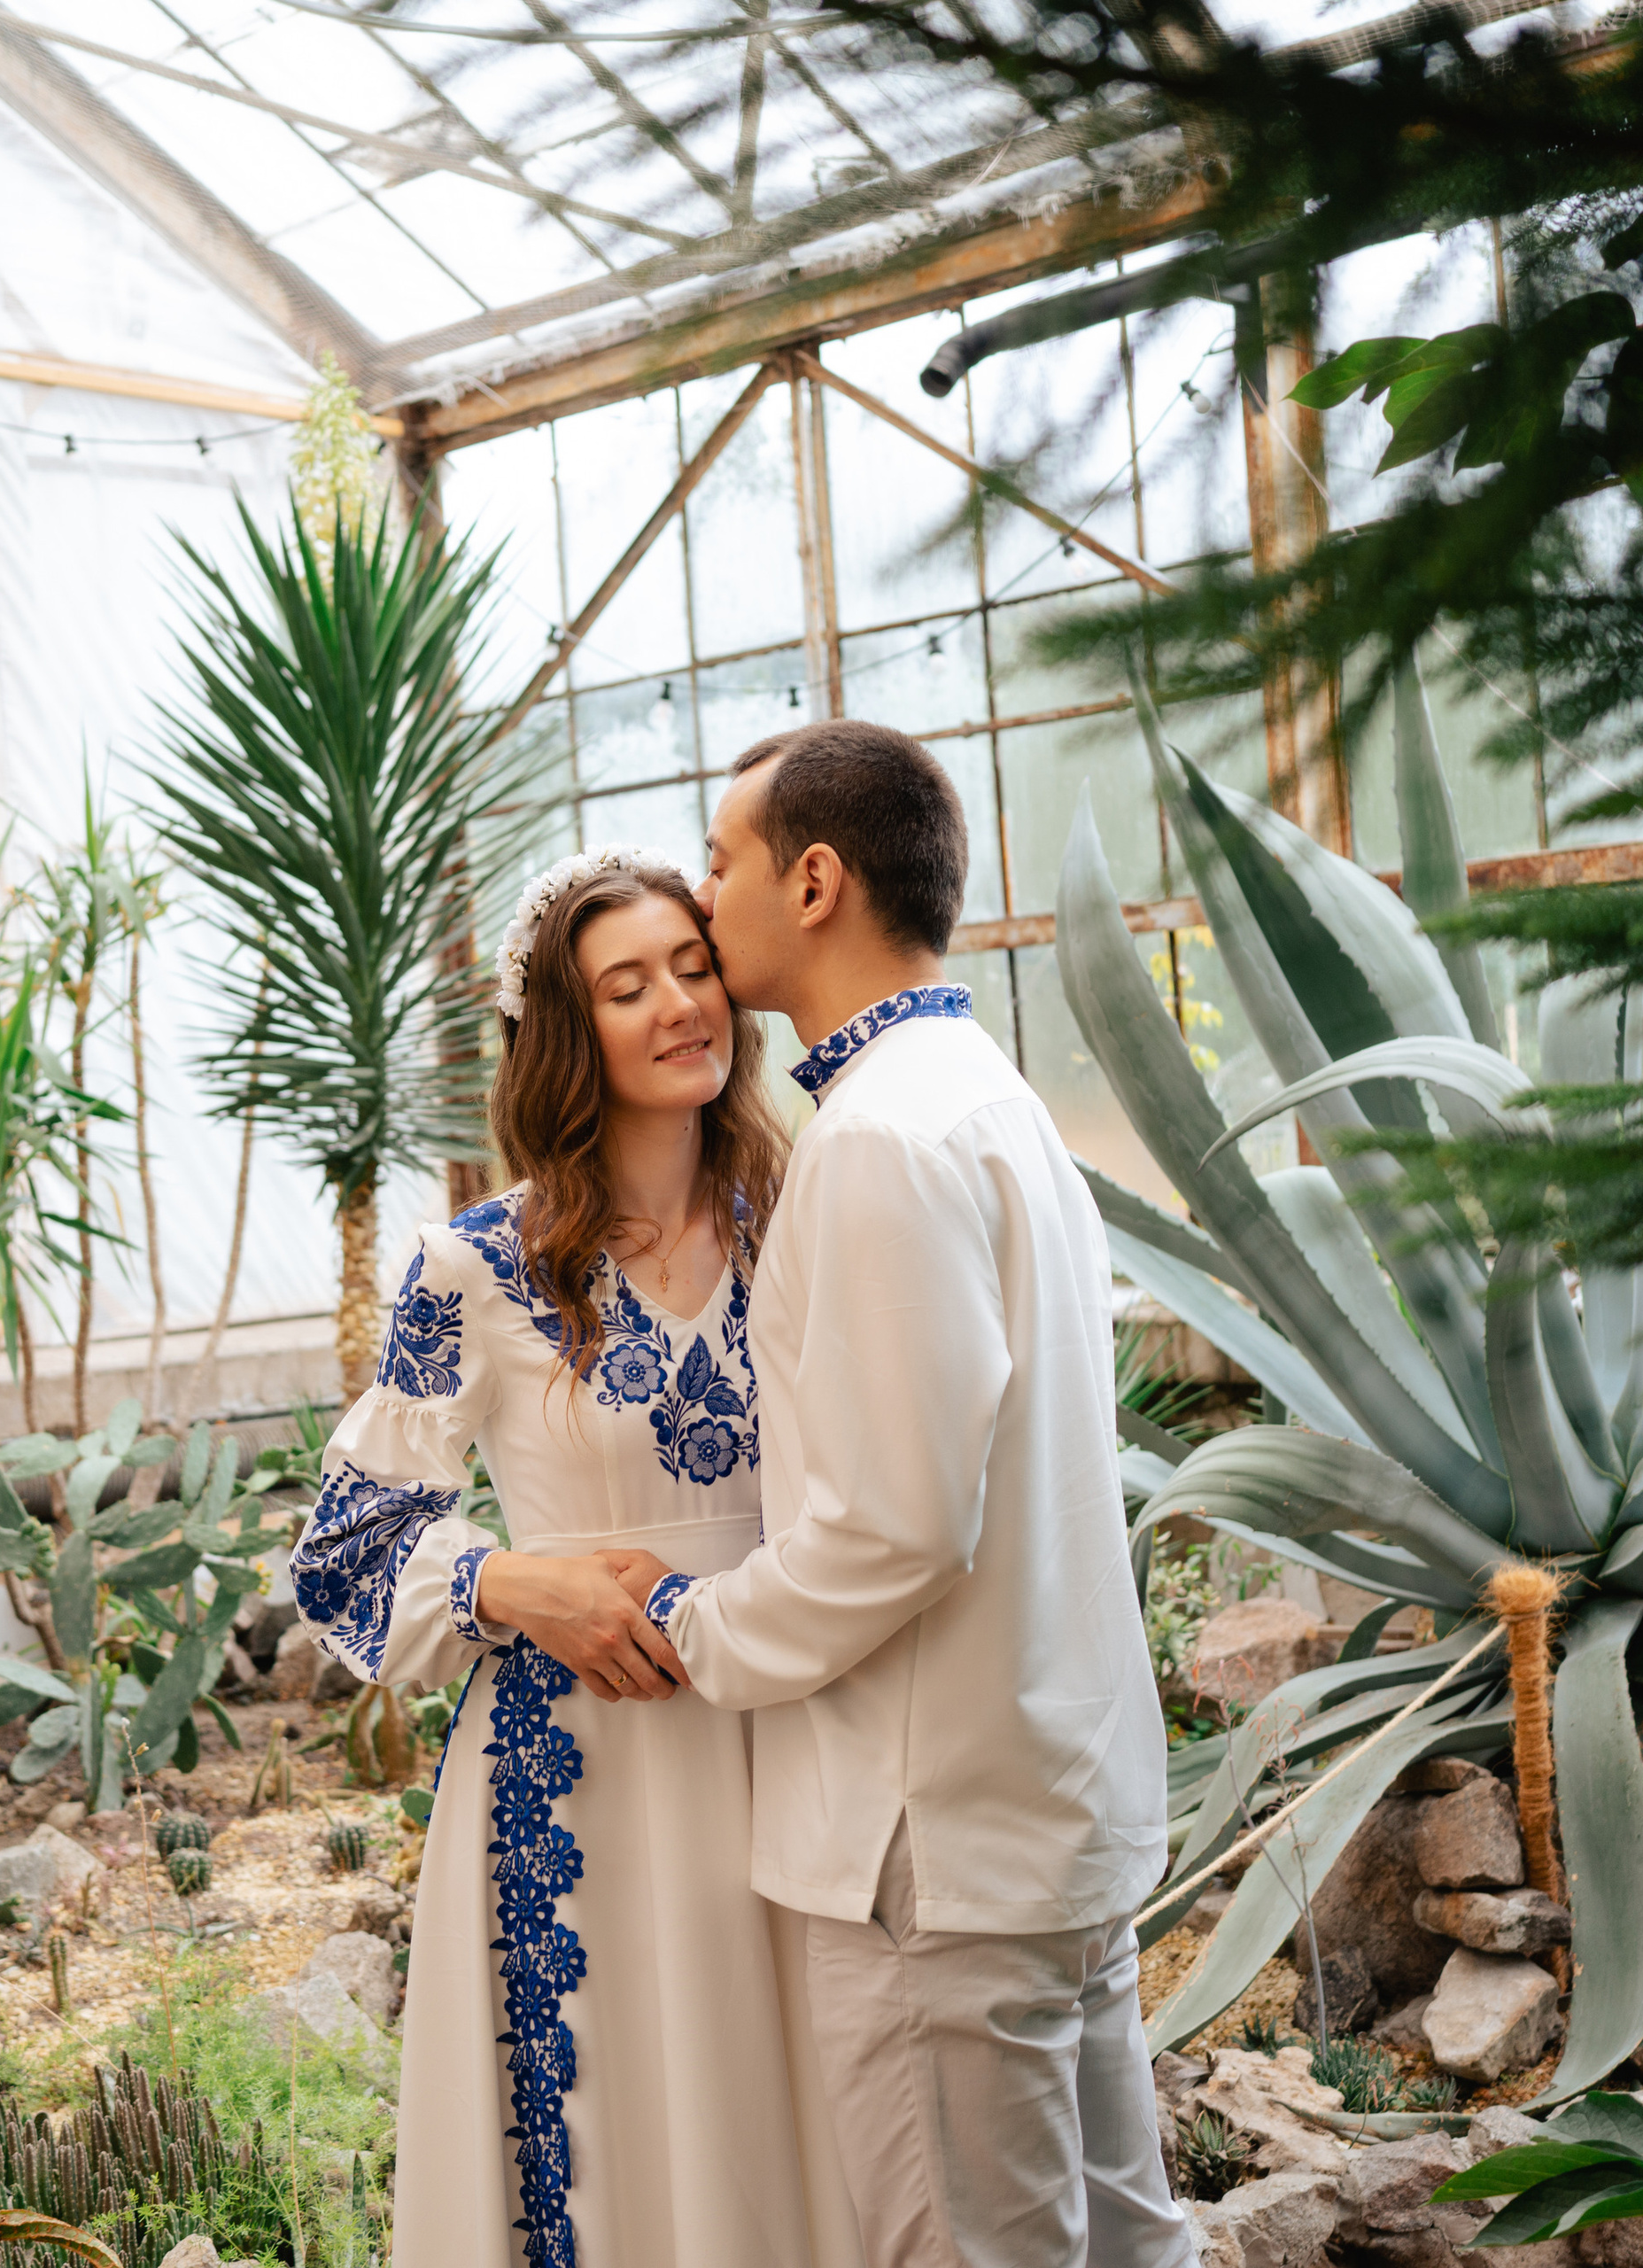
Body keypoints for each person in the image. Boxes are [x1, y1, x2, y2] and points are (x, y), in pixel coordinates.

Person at [605, 721, 1191, 2268]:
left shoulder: (876, 1141)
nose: (703, 894)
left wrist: (694, 1623)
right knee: (1129, 2245)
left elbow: (899, 1523)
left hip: (932, 1844)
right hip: (1047, 1803)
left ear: (813, 883)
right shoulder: (986, 1096)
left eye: (721, 861)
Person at [286, 847, 864, 2268]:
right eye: (627, 985)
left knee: (806, 2136)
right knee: (613, 2156)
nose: (681, 1004)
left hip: (799, 1744)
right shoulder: (470, 1267)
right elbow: (344, 1547)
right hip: (577, 1770)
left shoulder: (813, 1218)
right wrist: (505, 1582)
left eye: (693, 967)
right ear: (565, 1031)